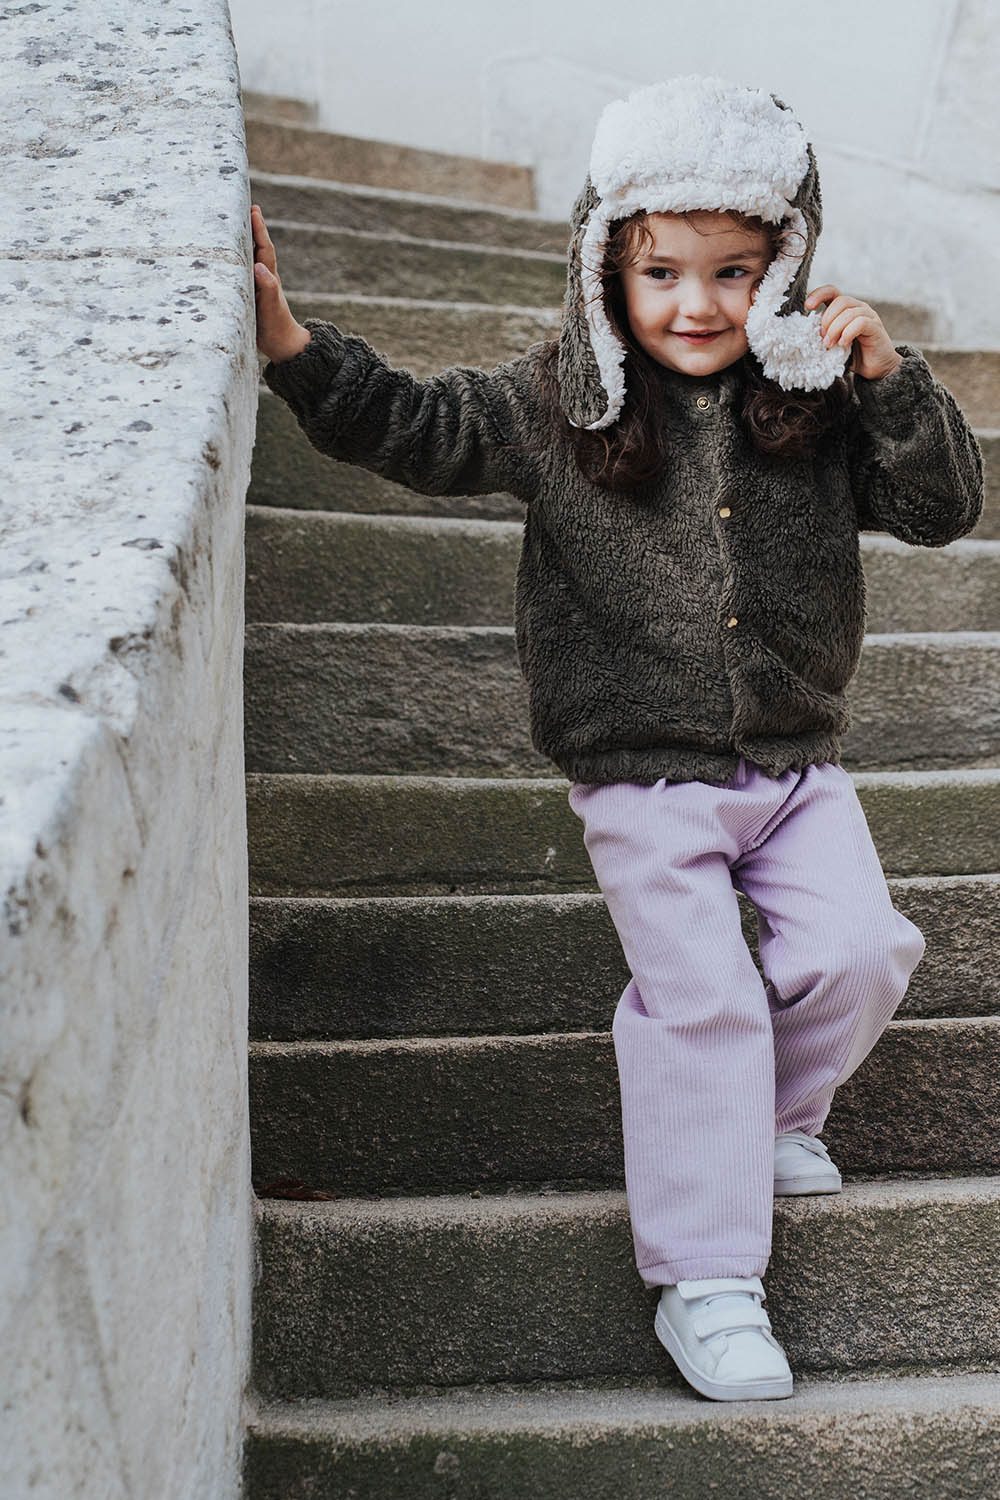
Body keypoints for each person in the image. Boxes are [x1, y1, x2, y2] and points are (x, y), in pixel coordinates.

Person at [251, 75, 984, 1403]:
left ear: (785, 266)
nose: (697, 303)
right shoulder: (556, 402)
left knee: (866, 951)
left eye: (733, 270)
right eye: (662, 270)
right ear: (606, 261)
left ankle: (765, 1119)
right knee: (699, 1003)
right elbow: (417, 428)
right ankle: (706, 1282)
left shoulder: (810, 398)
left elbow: (942, 511)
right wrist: (297, 349)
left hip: (796, 766)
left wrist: (891, 381)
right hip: (642, 779)